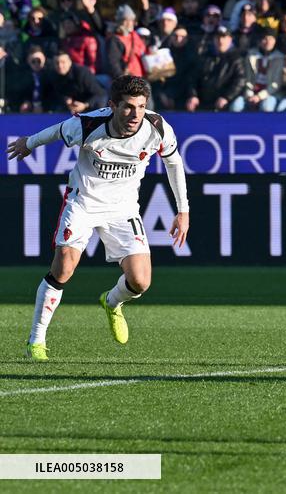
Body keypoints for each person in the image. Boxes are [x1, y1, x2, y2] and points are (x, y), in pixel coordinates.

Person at [7, 74, 190, 361]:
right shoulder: (88, 125)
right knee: (64, 268)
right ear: (113, 105)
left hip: (124, 208)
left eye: (141, 107)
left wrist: (183, 211)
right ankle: (37, 339)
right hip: (84, 202)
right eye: (128, 107)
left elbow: (174, 163)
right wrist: (28, 143)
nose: (136, 114)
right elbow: (57, 131)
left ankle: (112, 302)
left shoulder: (156, 128)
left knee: (140, 281)